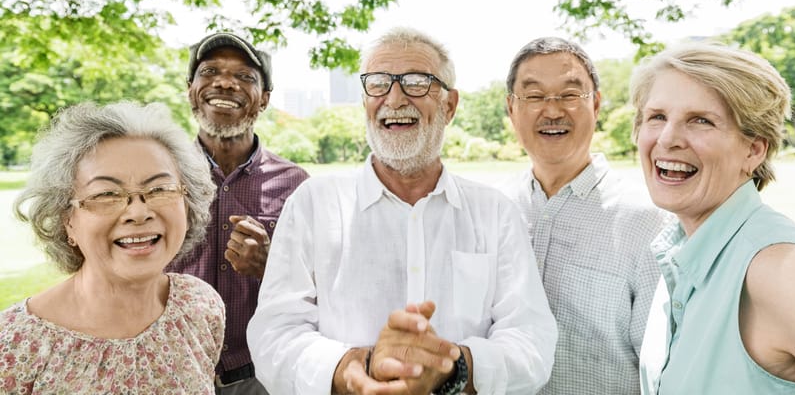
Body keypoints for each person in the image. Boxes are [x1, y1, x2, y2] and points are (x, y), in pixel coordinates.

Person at [246, 27, 558, 395]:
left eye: (416, 82)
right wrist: (359, 368)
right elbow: (274, 335)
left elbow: (532, 341)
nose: (394, 99)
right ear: (365, 101)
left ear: (450, 105)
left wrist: (451, 368)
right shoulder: (313, 204)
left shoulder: (495, 213)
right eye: (378, 83)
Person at [0, 101, 223, 393]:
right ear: (67, 220)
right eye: (106, 194)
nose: (138, 212)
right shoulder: (15, 346)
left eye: (159, 189)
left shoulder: (200, 306)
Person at [501, 36, 671, 394]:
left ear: (595, 104)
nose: (552, 110)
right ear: (511, 108)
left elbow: (662, 371)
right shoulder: (495, 210)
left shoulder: (646, 221)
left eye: (569, 94)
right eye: (534, 96)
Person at [632, 43, 795, 394]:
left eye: (701, 121)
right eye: (657, 116)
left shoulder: (776, 268)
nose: (668, 138)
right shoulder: (680, 250)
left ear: (754, 150)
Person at [166, 32, 309, 394]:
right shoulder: (159, 174)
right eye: (210, 71)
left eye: (245, 76)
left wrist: (270, 265)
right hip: (170, 370)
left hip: (260, 376)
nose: (225, 83)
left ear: (264, 99)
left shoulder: (297, 185)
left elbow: (322, 290)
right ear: (190, 88)